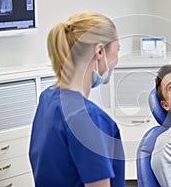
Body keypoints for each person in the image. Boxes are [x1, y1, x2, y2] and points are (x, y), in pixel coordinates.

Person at [29, 11, 125, 187]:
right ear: (100, 51)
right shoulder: (88, 117)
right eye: (117, 49)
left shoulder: (47, 99)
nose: (117, 58)